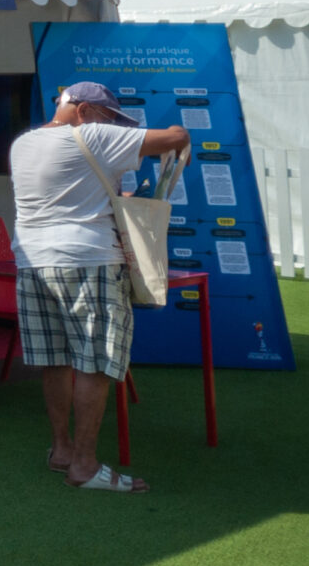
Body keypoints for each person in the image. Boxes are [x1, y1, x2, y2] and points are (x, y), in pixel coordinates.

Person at [10, 82, 189, 493]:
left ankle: (62, 450)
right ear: (85, 110)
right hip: (88, 259)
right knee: (96, 362)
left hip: (31, 260)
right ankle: (85, 466)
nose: (112, 124)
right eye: (109, 115)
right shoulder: (92, 133)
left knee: (54, 360)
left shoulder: (23, 143)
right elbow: (177, 136)